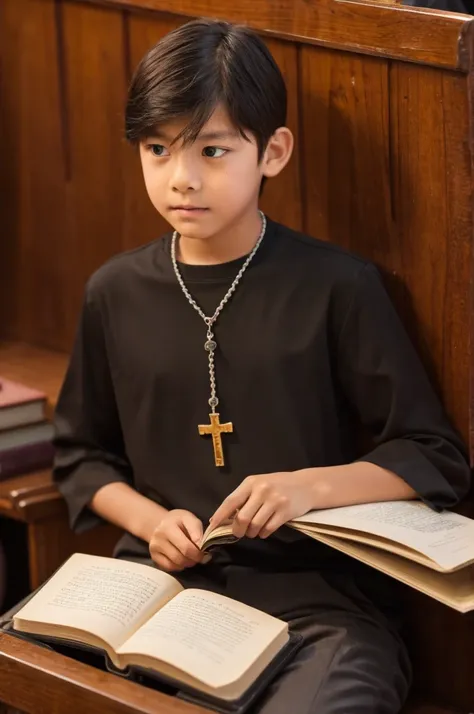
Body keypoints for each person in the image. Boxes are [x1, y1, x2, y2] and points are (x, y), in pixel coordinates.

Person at [53, 19, 471, 714]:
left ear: (272, 151)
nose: (181, 178)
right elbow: (81, 456)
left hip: (316, 604)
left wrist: (307, 488)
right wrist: (153, 522)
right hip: (156, 587)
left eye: (212, 150)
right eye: (157, 149)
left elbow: (435, 455)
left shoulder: (338, 287)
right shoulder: (114, 291)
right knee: (32, 671)